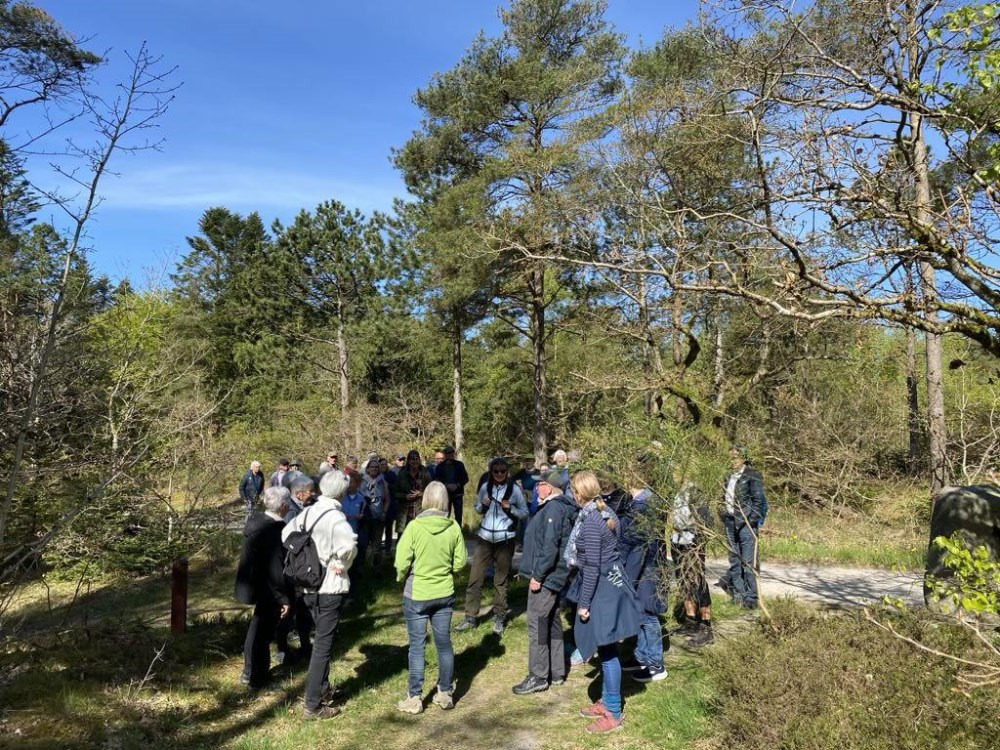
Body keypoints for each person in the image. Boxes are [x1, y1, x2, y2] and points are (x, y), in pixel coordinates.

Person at [282, 470, 358, 720]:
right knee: (323, 645)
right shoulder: (336, 518)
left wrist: (308, 556)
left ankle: (323, 690)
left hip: (307, 586)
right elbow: (349, 546)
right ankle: (312, 704)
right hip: (329, 588)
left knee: (322, 641)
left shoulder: (307, 512)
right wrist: (338, 562)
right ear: (343, 492)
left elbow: (286, 535)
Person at [571, 471, 639, 734]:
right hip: (612, 584)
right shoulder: (608, 512)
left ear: (579, 493)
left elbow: (591, 567)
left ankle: (613, 711)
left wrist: (584, 603)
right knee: (606, 648)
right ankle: (607, 700)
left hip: (601, 590)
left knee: (608, 651)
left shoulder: (590, 521)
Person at [394, 481, 468, 714]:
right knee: (444, 643)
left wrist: (399, 577)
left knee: (416, 646)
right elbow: (460, 562)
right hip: (444, 592)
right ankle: (444, 693)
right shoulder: (453, 526)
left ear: (424, 499)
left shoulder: (415, 527)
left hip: (417, 592)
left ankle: (415, 698)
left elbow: (401, 561)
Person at [512, 469, 579, 694]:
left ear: (549, 487)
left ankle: (538, 675)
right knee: (552, 621)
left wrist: (537, 576)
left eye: (539, 485)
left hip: (547, 577)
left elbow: (550, 547)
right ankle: (557, 671)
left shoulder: (553, 508)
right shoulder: (555, 507)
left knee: (538, 624)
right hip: (552, 575)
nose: (535, 488)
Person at [455, 457, 528, 635]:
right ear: (491, 472)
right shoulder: (485, 487)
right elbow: (477, 508)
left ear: (507, 472)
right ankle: (470, 617)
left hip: (506, 539)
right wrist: (482, 504)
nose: (499, 474)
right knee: (475, 579)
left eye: (503, 471)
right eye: (496, 471)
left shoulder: (514, 490)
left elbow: (525, 513)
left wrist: (510, 508)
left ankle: (499, 617)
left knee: (500, 581)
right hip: (485, 537)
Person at [234, 486, 292, 689]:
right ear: (283, 506)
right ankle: (259, 678)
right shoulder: (273, 530)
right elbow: (276, 568)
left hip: (253, 583)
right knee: (263, 634)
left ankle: (249, 671)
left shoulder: (256, 521)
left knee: (256, 629)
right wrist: (283, 599)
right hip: (267, 587)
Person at [621, 478, 668, 682]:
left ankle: (655, 664)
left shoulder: (644, 505)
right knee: (639, 612)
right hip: (643, 566)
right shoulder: (638, 502)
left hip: (647, 567)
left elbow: (638, 544)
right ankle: (641, 656)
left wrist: (628, 577)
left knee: (649, 613)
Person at [276, 476, 317, 663]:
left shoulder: (301, 508)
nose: (314, 494)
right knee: (290, 609)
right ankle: (283, 650)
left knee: (302, 609)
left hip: (299, 568)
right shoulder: (291, 512)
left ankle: (304, 644)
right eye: (311, 491)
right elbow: (290, 542)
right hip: (292, 569)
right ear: (299, 493)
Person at [721, 446, 768, 609]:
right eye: (730, 457)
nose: (732, 460)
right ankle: (738, 595)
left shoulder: (752, 475)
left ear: (743, 458)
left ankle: (752, 598)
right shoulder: (727, 475)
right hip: (729, 523)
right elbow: (722, 498)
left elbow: (758, 501)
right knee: (734, 560)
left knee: (748, 562)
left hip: (746, 524)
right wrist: (723, 515)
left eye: (735, 457)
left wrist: (751, 521)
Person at [671, 477, 714, 648]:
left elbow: (706, 521)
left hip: (692, 542)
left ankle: (706, 627)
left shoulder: (695, 491)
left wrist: (697, 543)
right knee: (683, 581)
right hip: (677, 540)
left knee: (697, 582)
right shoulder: (676, 490)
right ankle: (690, 621)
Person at [392, 450, 432, 543]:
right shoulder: (402, 474)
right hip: (404, 512)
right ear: (408, 461)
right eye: (412, 459)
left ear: (419, 460)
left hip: (420, 510)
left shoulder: (425, 472)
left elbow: (431, 490)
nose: (414, 461)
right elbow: (395, 492)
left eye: (416, 459)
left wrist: (421, 493)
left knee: (420, 538)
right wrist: (405, 496)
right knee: (403, 540)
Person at [361, 457, 389, 565]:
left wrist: (384, 512)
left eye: (376, 467)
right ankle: (362, 569)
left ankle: (376, 568)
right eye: (372, 467)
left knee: (377, 545)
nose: (374, 468)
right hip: (365, 517)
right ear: (367, 469)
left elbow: (387, 499)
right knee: (364, 544)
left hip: (378, 516)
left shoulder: (383, 482)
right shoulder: (362, 482)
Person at [432, 446, 469, 527]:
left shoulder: (459, 465)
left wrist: (457, 485)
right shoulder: (440, 467)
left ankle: (458, 531)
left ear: (453, 454)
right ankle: (445, 532)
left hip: (458, 494)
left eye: (451, 453)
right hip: (445, 494)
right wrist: (446, 485)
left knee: (458, 515)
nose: (450, 455)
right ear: (445, 454)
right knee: (445, 514)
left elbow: (465, 478)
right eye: (448, 453)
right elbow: (436, 480)